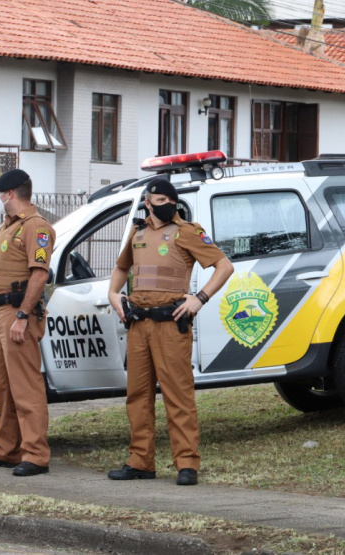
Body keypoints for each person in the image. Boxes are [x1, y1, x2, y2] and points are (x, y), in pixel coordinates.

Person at [106, 177, 233, 486]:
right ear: (147, 203)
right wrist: (113, 294)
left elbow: (224, 266)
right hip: (139, 324)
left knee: (178, 395)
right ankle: (140, 461)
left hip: (170, 325)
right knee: (137, 396)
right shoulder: (138, 233)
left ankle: (187, 464)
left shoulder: (187, 231)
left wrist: (199, 298)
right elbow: (122, 267)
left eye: (169, 201)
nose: (165, 206)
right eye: (158, 201)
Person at [0, 168, 55, 477]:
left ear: (9, 194)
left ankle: (35, 454)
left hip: (21, 313)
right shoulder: (7, 228)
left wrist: (22, 315)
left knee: (26, 387)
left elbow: (39, 275)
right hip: (3, 311)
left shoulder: (37, 227)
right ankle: (6, 449)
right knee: (4, 387)